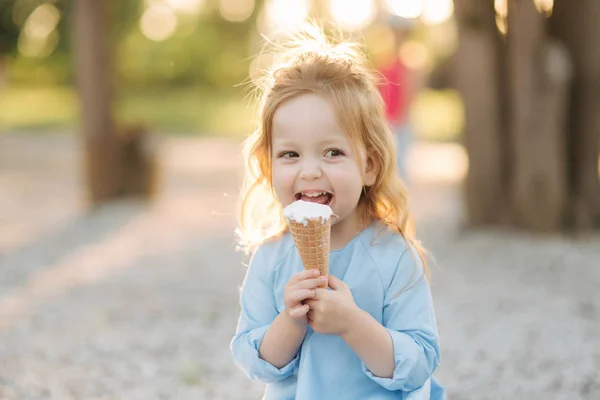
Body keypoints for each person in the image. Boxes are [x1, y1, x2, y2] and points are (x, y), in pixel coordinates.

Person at [230, 25, 445, 400]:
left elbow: (420, 361)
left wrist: (353, 324)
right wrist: (289, 322)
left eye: (333, 152)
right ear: (269, 168)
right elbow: (254, 361)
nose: (310, 170)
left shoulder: (392, 256)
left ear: (370, 166)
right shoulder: (271, 259)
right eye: (290, 154)